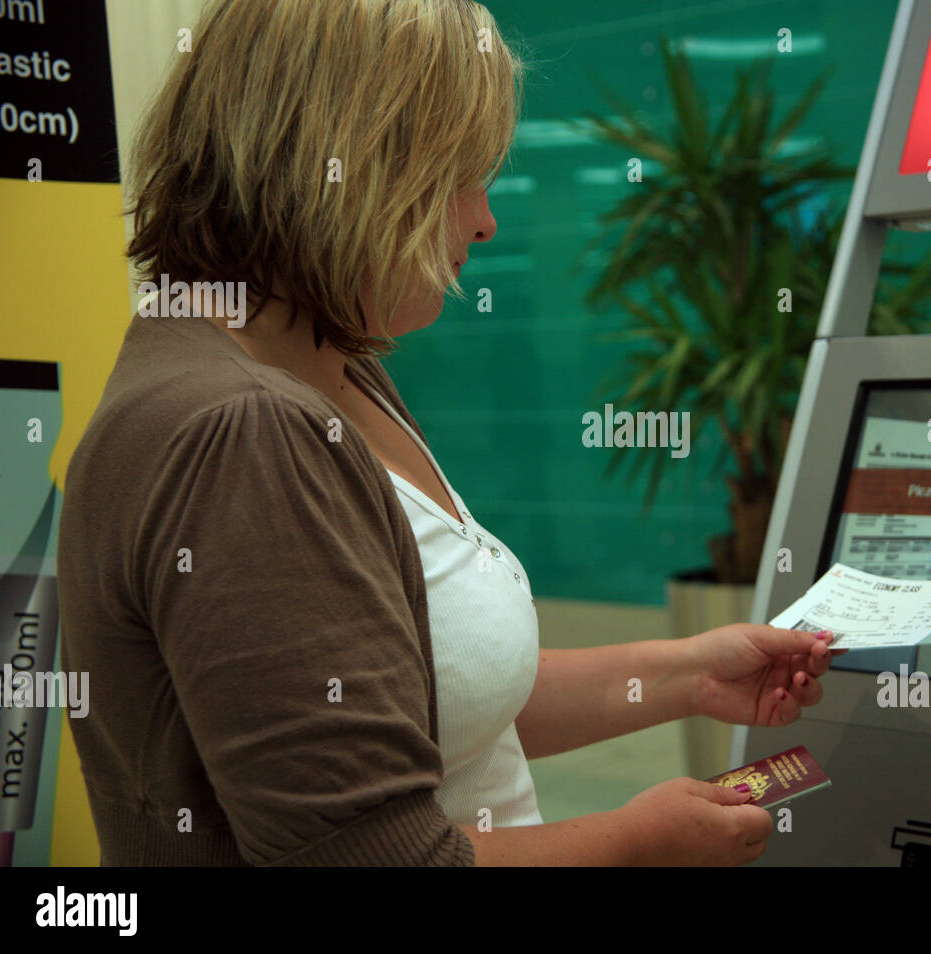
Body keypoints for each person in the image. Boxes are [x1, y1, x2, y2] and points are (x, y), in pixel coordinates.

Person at [57, 0, 837, 867]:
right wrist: (636, 842)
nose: (484, 220)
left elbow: (428, 705)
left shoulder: (328, 367)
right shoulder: (243, 433)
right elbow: (376, 857)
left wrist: (689, 674)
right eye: (462, 174)